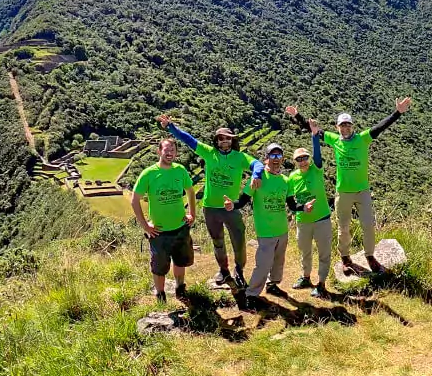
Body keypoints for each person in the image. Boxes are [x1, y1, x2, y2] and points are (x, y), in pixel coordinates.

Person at [286, 97, 412, 275]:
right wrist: (298, 116)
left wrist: (397, 112)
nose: (345, 128)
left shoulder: (362, 139)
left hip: (362, 191)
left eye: (348, 125)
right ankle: (345, 257)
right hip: (343, 192)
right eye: (341, 125)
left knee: (368, 225)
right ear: (337, 127)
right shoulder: (335, 139)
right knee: (343, 227)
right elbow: (314, 130)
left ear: (352, 126)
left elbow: (381, 127)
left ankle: (369, 256)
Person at [157, 115, 263, 290]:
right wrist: (171, 127)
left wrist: (256, 175)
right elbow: (188, 140)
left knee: (239, 241)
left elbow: (257, 164)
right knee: (218, 242)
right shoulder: (209, 153)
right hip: (210, 208)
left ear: (232, 140)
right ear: (217, 140)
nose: (225, 141)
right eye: (221, 138)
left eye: (228, 138)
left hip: (231, 207)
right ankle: (224, 270)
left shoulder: (239, 157)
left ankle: (239, 270)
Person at [226, 143, 314, 311]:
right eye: (272, 156)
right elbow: (243, 200)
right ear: (265, 159)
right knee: (263, 264)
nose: (276, 159)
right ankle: (251, 294)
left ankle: (272, 284)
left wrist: (303, 207)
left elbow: (291, 205)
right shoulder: (257, 179)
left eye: (278, 156)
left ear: (282, 159)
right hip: (265, 231)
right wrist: (233, 205)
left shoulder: (285, 181)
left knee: (278, 261)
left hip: (282, 230)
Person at [131, 137, 196, 305]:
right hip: (159, 231)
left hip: (181, 227)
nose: (169, 153)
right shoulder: (149, 173)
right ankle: (160, 295)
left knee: (180, 260)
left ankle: (180, 288)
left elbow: (190, 191)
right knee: (159, 266)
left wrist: (192, 214)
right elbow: (134, 199)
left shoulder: (180, 170)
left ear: (176, 153)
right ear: (159, 151)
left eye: (172, 150)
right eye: (166, 150)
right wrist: (146, 226)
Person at [287, 118, 333, 297]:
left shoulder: (316, 169)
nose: (303, 161)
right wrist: (302, 208)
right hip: (303, 221)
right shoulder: (291, 177)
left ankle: (321, 284)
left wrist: (314, 136)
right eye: (299, 159)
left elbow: (318, 156)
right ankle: (306, 277)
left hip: (321, 218)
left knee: (324, 252)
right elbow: (290, 203)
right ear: (295, 162)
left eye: (305, 158)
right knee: (305, 251)